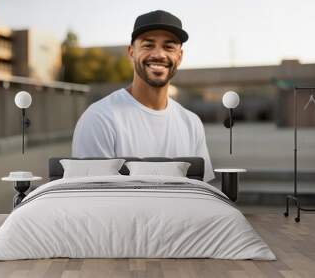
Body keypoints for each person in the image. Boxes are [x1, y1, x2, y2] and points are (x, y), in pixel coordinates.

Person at [71, 10, 215, 182]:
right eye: (148, 45)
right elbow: (91, 199)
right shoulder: (100, 118)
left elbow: (201, 194)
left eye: (169, 46)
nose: (159, 54)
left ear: (180, 56)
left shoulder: (191, 123)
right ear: (131, 52)